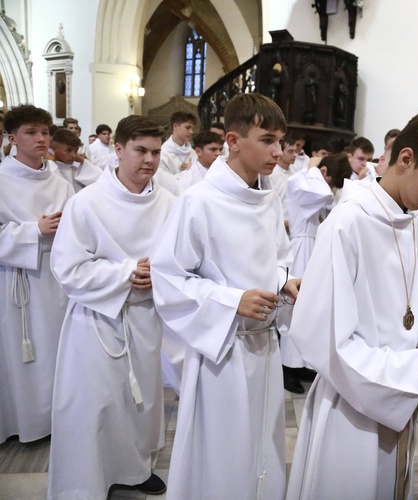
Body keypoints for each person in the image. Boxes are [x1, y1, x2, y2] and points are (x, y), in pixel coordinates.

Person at [286, 108, 418, 499]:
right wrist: (409, 371)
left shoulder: (414, 224)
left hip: (401, 394)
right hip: (351, 407)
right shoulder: (346, 223)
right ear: (405, 158)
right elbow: (322, 336)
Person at [150, 93, 299, 500]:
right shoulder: (199, 202)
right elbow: (168, 277)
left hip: (263, 346)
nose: (277, 151)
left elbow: (279, 257)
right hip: (223, 351)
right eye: (267, 139)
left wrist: (285, 280)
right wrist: (232, 300)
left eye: (280, 141)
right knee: (223, 452)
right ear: (233, 140)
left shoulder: (267, 198)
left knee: (262, 443)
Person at [48, 115, 174, 499]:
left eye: (155, 152)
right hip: (97, 319)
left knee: (142, 403)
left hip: (146, 317)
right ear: (117, 150)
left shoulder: (170, 202)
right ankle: (88, 481)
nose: (149, 160)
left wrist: (162, 275)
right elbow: (67, 268)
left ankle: (133, 470)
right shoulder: (86, 202)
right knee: (97, 404)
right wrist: (124, 273)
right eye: (140, 150)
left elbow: (181, 259)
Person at [0, 104, 74, 444]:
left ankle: (56, 417)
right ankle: (23, 421)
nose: (41, 138)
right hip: (16, 279)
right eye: (31, 132)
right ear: (12, 138)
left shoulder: (59, 180)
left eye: (45, 132)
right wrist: (33, 231)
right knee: (22, 352)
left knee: (57, 349)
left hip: (56, 279)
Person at [279, 153, 350, 394]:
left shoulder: (314, 182)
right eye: (329, 178)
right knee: (294, 308)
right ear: (324, 172)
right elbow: (324, 194)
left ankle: (302, 363)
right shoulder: (301, 181)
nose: (331, 186)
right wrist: (312, 167)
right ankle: (287, 367)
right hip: (300, 248)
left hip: (313, 248)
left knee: (310, 309)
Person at [268, 135, 298, 229]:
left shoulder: (295, 174)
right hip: (276, 224)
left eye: (295, 151)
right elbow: (268, 202)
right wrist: (280, 221)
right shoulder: (271, 174)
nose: (294, 155)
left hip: (293, 225)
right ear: (280, 152)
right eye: (290, 151)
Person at [159, 111, 197, 175]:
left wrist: (193, 170)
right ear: (175, 126)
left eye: (192, 128)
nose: (191, 132)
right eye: (188, 128)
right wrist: (188, 172)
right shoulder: (163, 153)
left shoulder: (193, 153)